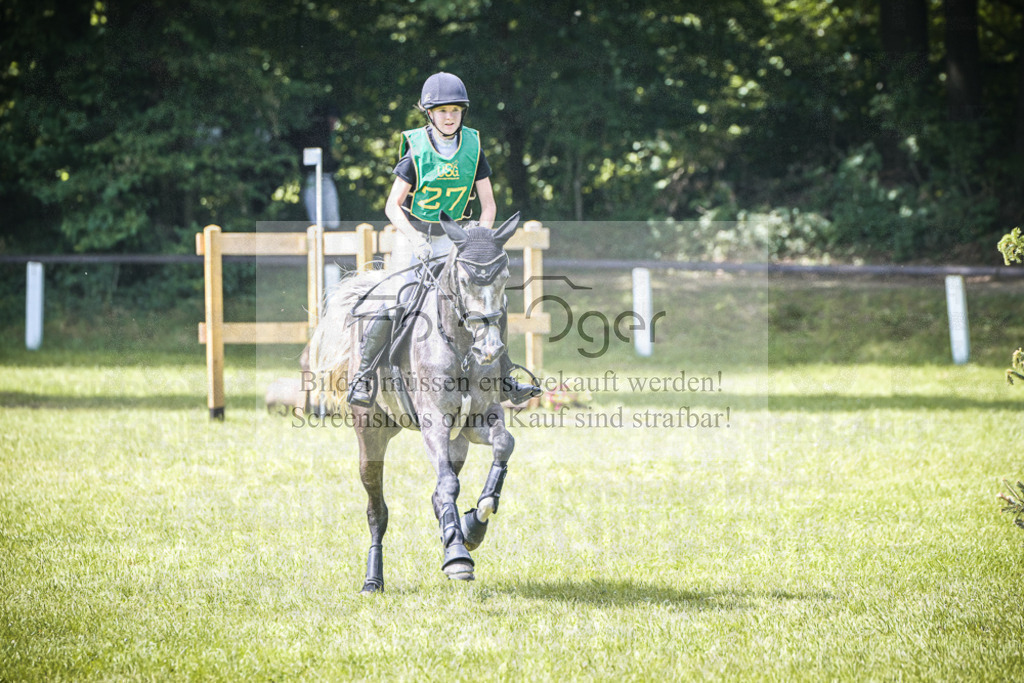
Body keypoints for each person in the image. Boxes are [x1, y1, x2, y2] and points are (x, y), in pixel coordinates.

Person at [346, 71, 540, 408]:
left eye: (455, 110)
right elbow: (392, 206)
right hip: (414, 237)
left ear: (462, 112)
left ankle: (506, 378)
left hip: (455, 240)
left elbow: (489, 205)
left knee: (488, 301)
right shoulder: (416, 152)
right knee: (397, 300)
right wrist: (413, 237)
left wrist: (477, 239)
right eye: (441, 111)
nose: (449, 117)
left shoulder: (474, 149)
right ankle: (362, 377)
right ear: (429, 114)